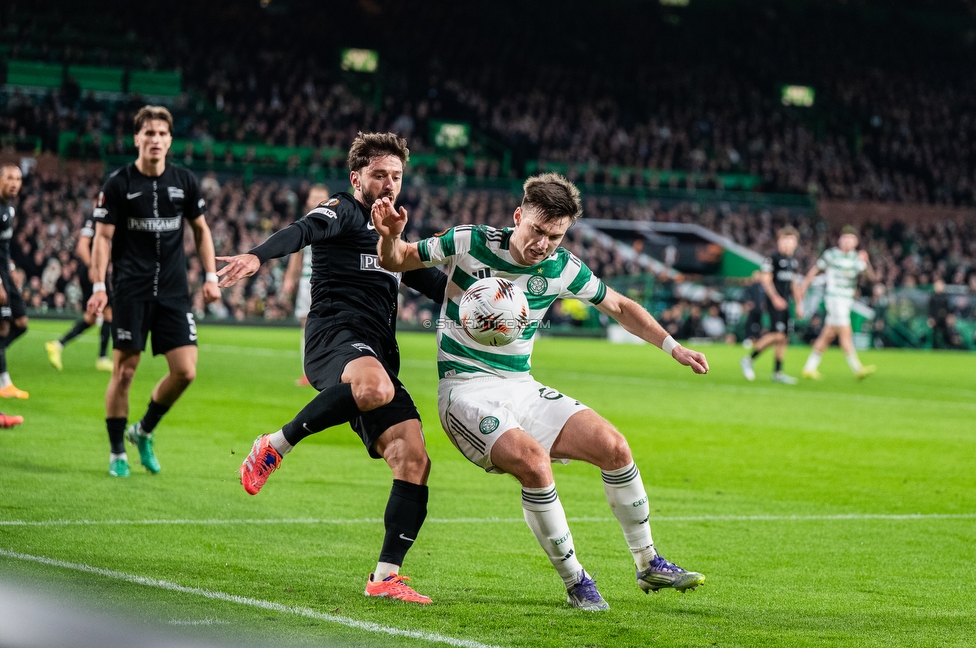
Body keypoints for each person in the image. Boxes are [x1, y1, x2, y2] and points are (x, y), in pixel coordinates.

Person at [373, 173, 708, 611]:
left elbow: (620, 306)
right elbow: (398, 260)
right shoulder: (470, 241)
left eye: (555, 236)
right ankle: (577, 582)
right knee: (534, 462)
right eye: (537, 230)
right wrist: (389, 237)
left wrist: (673, 346)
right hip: (465, 391)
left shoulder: (562, 267)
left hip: (521, 386)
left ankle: (648, 562)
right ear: (518, 217)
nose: (543, 244)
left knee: (615, 447)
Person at [216, 132, 447, 605]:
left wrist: (498, 298)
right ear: (356, 178)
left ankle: (385, 577)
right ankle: (274, 445)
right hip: (333, 337)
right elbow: (302, 230)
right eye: (379, 174)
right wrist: (257, 256)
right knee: (376, 387)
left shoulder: (393, 237)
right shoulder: (343, 209)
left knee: (413, 458)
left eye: (396, 176)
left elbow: (438, 286)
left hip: (375, 355)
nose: (389, 184)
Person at [87, 105, 221, 478]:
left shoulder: (184, 181)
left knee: (186, 372)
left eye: (162, 134)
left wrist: (211, 276)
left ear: (170, 140)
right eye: (149, 133)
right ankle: (117, 452)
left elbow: (201, 230)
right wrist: (98, 285)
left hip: (174, 292)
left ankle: (143, 430)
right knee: (125, 372)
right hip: (131, 290)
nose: (156, 140)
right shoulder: (118, 184)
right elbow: (102, 239)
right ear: (137, 139)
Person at [799, 226, 875, 379]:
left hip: (847, 300)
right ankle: (857, 368)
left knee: (827, 335)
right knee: (846, 332)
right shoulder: (831, 254)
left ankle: (809, 368)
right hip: (834, 299)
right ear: (840, 240)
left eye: (851, 239)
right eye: (845, 238)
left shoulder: (855, 257)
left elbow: (870, 278)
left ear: (856, 242)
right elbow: (815, 270)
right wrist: (804, 287)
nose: (847, 242)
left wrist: (866, 262)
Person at [46, 215, 114, 372]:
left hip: (96, 269)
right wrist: (92, 267)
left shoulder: (104, 218)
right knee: (108, 313)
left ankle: (57, 345)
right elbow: (82, 246)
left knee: (91, 318)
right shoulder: (95, 219)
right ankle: (102, 358)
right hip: (93, 270)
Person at [740, 226, 804, 384]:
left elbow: (794, 284)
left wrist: (799, 304)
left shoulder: (793, 261)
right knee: (778, 335)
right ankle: (749, 359)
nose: (787, 243)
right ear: (779, 241)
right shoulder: (773, 258)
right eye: (784, 240)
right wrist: (775, 298)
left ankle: (777, 372)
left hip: (786, 303)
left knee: (784, 338)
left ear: (795, 243)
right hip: (774, 302)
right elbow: (766, 279)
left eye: (790, 240)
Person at [281, 183, 330, 386]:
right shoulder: (304, 223)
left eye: (321, 197)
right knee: (306, 326)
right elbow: (297, 255)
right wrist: (289, 278)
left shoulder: (336, 222)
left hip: (328, 282)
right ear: (308, 201)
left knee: (330, 325)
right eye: (314, 197)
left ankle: (330, 370)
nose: (317, 200)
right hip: (306, 282)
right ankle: (308, 373)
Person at [0, 165, 30, 399]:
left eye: (18, 179)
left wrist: (10, 269)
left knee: (21, 323)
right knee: (2, 326)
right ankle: (4, 383)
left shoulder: (9, 208)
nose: (15, 183)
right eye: (10, 178)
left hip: (5, 272)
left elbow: (4, 247)